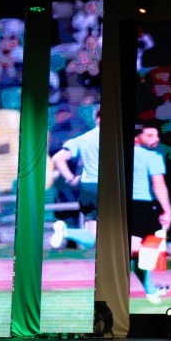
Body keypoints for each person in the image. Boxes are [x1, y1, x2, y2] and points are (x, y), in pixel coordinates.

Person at [132, 125, 171, 303]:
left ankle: (151, 290)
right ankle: (151, 290)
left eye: (156, 134)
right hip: (142, 206)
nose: (155, 138)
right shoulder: (152, 156)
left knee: (136, 251)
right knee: (146, 250)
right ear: (137, 138)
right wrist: (167, 210)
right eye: (149, 135)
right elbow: (158, 185)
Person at [50, 106, 101, 249]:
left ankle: (66, 232)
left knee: (93, 236)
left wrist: (71, 179)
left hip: (89, 188)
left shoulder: (82, 139)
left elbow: (57, 158)